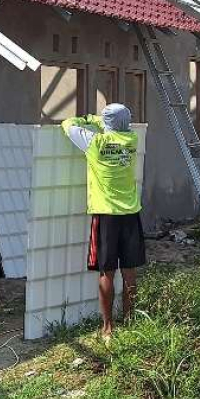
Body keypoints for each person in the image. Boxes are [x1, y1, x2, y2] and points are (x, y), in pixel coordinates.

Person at [61, 103, 143, 339]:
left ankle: (107, 328)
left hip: (106, 215)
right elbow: (117, 127)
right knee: (129, 271)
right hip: (130, 212)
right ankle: (130, 320)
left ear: (106, 123)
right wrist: (105, 122)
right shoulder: (131, 140)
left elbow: (68, 124)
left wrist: (92, 119)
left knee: (107, 272)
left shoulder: (94, 143)